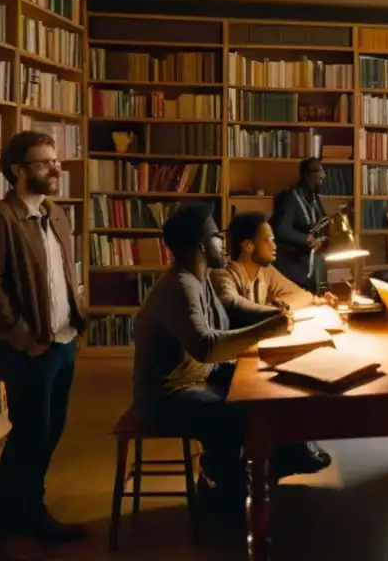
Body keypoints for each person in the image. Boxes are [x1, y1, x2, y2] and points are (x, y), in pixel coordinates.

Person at [131, 202, 326, 512]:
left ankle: (270, 469)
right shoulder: (181, 287)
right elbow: (206, 347)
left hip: (198, 378)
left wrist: (272, 322)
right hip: (166, 397)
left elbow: (229, 317)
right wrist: (270, 327)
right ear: (201, 245)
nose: (223, 241)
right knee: (238, 415)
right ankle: (224, 493)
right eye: (216, 236)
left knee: (268, 391)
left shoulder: (200, 278)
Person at [0, 130, 88, 561]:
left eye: (56, 161)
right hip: (29, 348)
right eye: (43, 162)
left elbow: (62, 275)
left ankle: (35, 514)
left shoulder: (56, 213)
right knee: (28, 436)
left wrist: (74, 322)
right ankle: (12, 528)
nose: (56, 168)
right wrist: (22, 337)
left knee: (50, 432)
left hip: (63, 341)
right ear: (17, 170)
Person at [210, 210, 334, 472]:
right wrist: (278, 314)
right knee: (284, 382)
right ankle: (283, 453)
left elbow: (300, 295)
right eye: (269, 240)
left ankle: (288, 450)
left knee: (298, 372)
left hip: (251, 357)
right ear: (248, 246)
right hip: (226, 364)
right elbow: (233, 304)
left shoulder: (265, 273)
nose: (275, 246)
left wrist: (315, 301)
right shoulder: (225, 275)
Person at [272, 157, 328, 292]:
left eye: (323, 171)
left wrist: (321, 239)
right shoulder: (289, 199)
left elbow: (322, 223)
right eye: (318, 171)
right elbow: (281, 229)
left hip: (309, 264)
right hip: (291, 267)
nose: (323, 175)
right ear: (306, 175)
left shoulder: (315, 199)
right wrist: (306, 239)